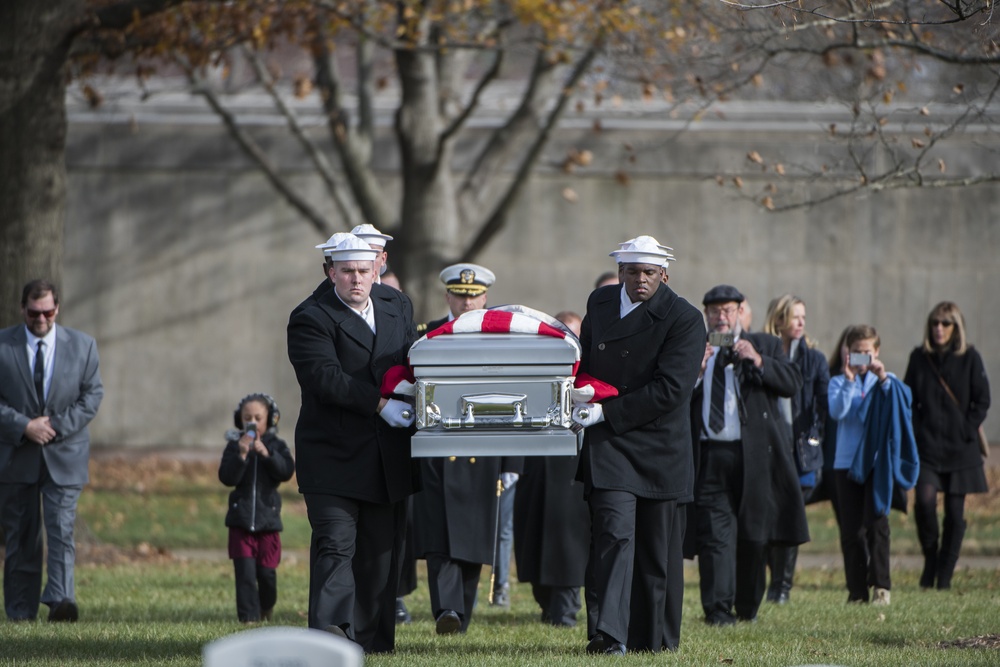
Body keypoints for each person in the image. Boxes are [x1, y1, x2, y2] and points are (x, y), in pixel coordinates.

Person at [571, 236, 705, 654]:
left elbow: (672, 390)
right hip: (610, 445)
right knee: (612, 536)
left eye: (649, 273)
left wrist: (607, 413)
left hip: (660, 444)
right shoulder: (600, 304)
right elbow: (587, 361)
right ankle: (609, 635)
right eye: (632, 272)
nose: (640, 280)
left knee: (657, 549)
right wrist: (580, 396)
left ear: (664, 274)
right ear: (620, 273)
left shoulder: (685, 318)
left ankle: (654, 641)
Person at [286, 234, 417, 653]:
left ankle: (370, 642)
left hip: (387, 454)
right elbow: (324, 378)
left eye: (364, 270)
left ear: (378, 267)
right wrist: (379, 404)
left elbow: (414, 359)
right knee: (335, 547)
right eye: (346, 272)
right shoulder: (310, 317)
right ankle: (330, 641)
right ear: (330, 273)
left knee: (381, 555)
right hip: (333, 455)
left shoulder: (396, 305)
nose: (356, 280)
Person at [688, 284, 807, 627]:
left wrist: (757, 359)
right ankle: (717, 610)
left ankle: (748, 607)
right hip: (711, 455)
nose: (721, 317)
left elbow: (792, 382)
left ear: (741, 311)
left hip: (755, 459)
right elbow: (675, 395)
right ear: (706, 314)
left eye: (727, 310)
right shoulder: (696, 347)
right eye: (714, 311)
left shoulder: (765, 344)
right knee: (715, 536)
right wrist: (696, 370)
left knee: (754, 536)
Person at [0, 279, 104, 622]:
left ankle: (61, 601)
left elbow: (92, 396)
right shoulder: (3, 345)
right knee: (22, 536)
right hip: (16, 456)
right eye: (34, 312)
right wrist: (24, 426)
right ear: (22, 309)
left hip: (65, 454)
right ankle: (19, 610)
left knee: (61, 530)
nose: (41, 318)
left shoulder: (83, 346)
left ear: (57, 309)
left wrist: (56, 425)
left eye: (47, 311)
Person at [828, 324, 919, 605]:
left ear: (876, 352)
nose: (861, 358)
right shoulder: (838, 381)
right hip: (846, 463)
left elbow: (901, 404)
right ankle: (856, 591)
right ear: (847, 352)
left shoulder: (886, 380)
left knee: (878, 523)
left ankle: (881, 586)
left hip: (876, 465)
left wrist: (882, 379)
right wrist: (849, 380)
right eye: (856, 352)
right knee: (852, 531)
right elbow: (838, 412)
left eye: (866, 352)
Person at [903, 302, 990, 590]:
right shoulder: (919, 358)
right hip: (927, 447)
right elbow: (909, 399)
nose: (939, 329)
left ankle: (945, 574)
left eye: (945, 323)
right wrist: (916, 431)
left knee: (954, 513)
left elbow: (982, 400)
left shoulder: (971, 358)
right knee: (925, 503)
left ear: (956, 328)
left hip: (960, 449)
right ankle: (930, 560)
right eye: (935, 323)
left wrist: (966, 427)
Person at [513, 309, 590, 628]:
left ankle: (565, 609)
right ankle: (548, 604)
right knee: (534, 538)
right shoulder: (534, 371)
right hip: (537, 467)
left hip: (574, 468)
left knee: (568, 543)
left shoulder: (590, 377)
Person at [761, 295, 830, 604]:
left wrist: (815, 436)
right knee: (765, 518)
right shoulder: (764, 354)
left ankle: (782, 588)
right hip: (769, 450)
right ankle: (769, 581)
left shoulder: (814, 360)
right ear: (778, 321)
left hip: (802, 453)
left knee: (790, 516)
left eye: (804, 316)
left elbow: (823, 405)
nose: (801, 322)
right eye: (794, 317)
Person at [219, 394, 295, 623]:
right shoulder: (234, 446)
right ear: (239, 420)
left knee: (266, 574)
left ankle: (266, 607)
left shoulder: (276, 446)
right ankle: (248, 618)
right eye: (247, 418)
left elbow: (285, 471)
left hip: (268, 522)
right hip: (240, 522)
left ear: (270, 420)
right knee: (245, 575)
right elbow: (226, 477)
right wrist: (242, 454)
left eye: (258, 418)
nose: (252, 422)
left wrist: (266, 454)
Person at [416, 263, 496, 335]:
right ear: (448, 298)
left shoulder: (497, 331)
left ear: (484, 298)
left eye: (473, 296)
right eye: (461, 296)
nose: (467, 302)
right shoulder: (429, 332)